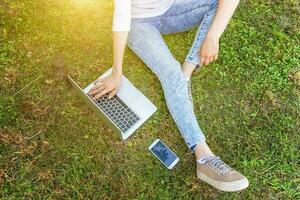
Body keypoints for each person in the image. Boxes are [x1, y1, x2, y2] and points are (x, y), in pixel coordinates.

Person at [88, 0, 249, 192]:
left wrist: (213, 36)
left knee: (216, 4)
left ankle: (186, 72)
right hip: (138, 23)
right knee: (171, 74)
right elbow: (122, 18)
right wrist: (117, 72)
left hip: (171, 9)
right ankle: (204, 157)